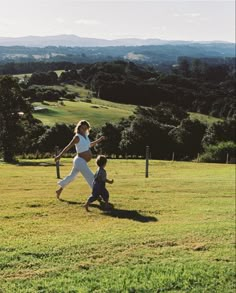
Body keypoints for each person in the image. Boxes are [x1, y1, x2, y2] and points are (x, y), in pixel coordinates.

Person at [54, 120, 105, 199]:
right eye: (82, 128)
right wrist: (59, 156)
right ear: (79, 128)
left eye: (85, 128)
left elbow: (90, 145)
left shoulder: (86, 136)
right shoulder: (77, 137)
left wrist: (99, 140)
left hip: (80, 161)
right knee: (90, 177)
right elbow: (68, 147)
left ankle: (59, 190)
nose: (84, 130)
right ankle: (97, 194)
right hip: (80, 161)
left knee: (71, 177)